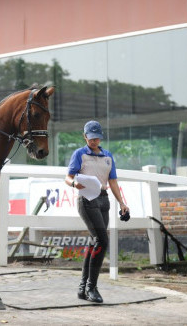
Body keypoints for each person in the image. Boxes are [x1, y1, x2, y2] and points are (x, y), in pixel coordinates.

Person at [65, 120, 130, 303]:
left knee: (95, 242)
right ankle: (91, 288)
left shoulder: (108, 156)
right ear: (85, 137)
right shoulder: (79, 154)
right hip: (87, 199)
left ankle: (82, 288)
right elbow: (68, 177)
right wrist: (74, 183)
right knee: (102, 240)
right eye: (91, 138)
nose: (94, 141)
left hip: (104, 200)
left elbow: (113, 182)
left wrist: (122, 203)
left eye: (97, 138)